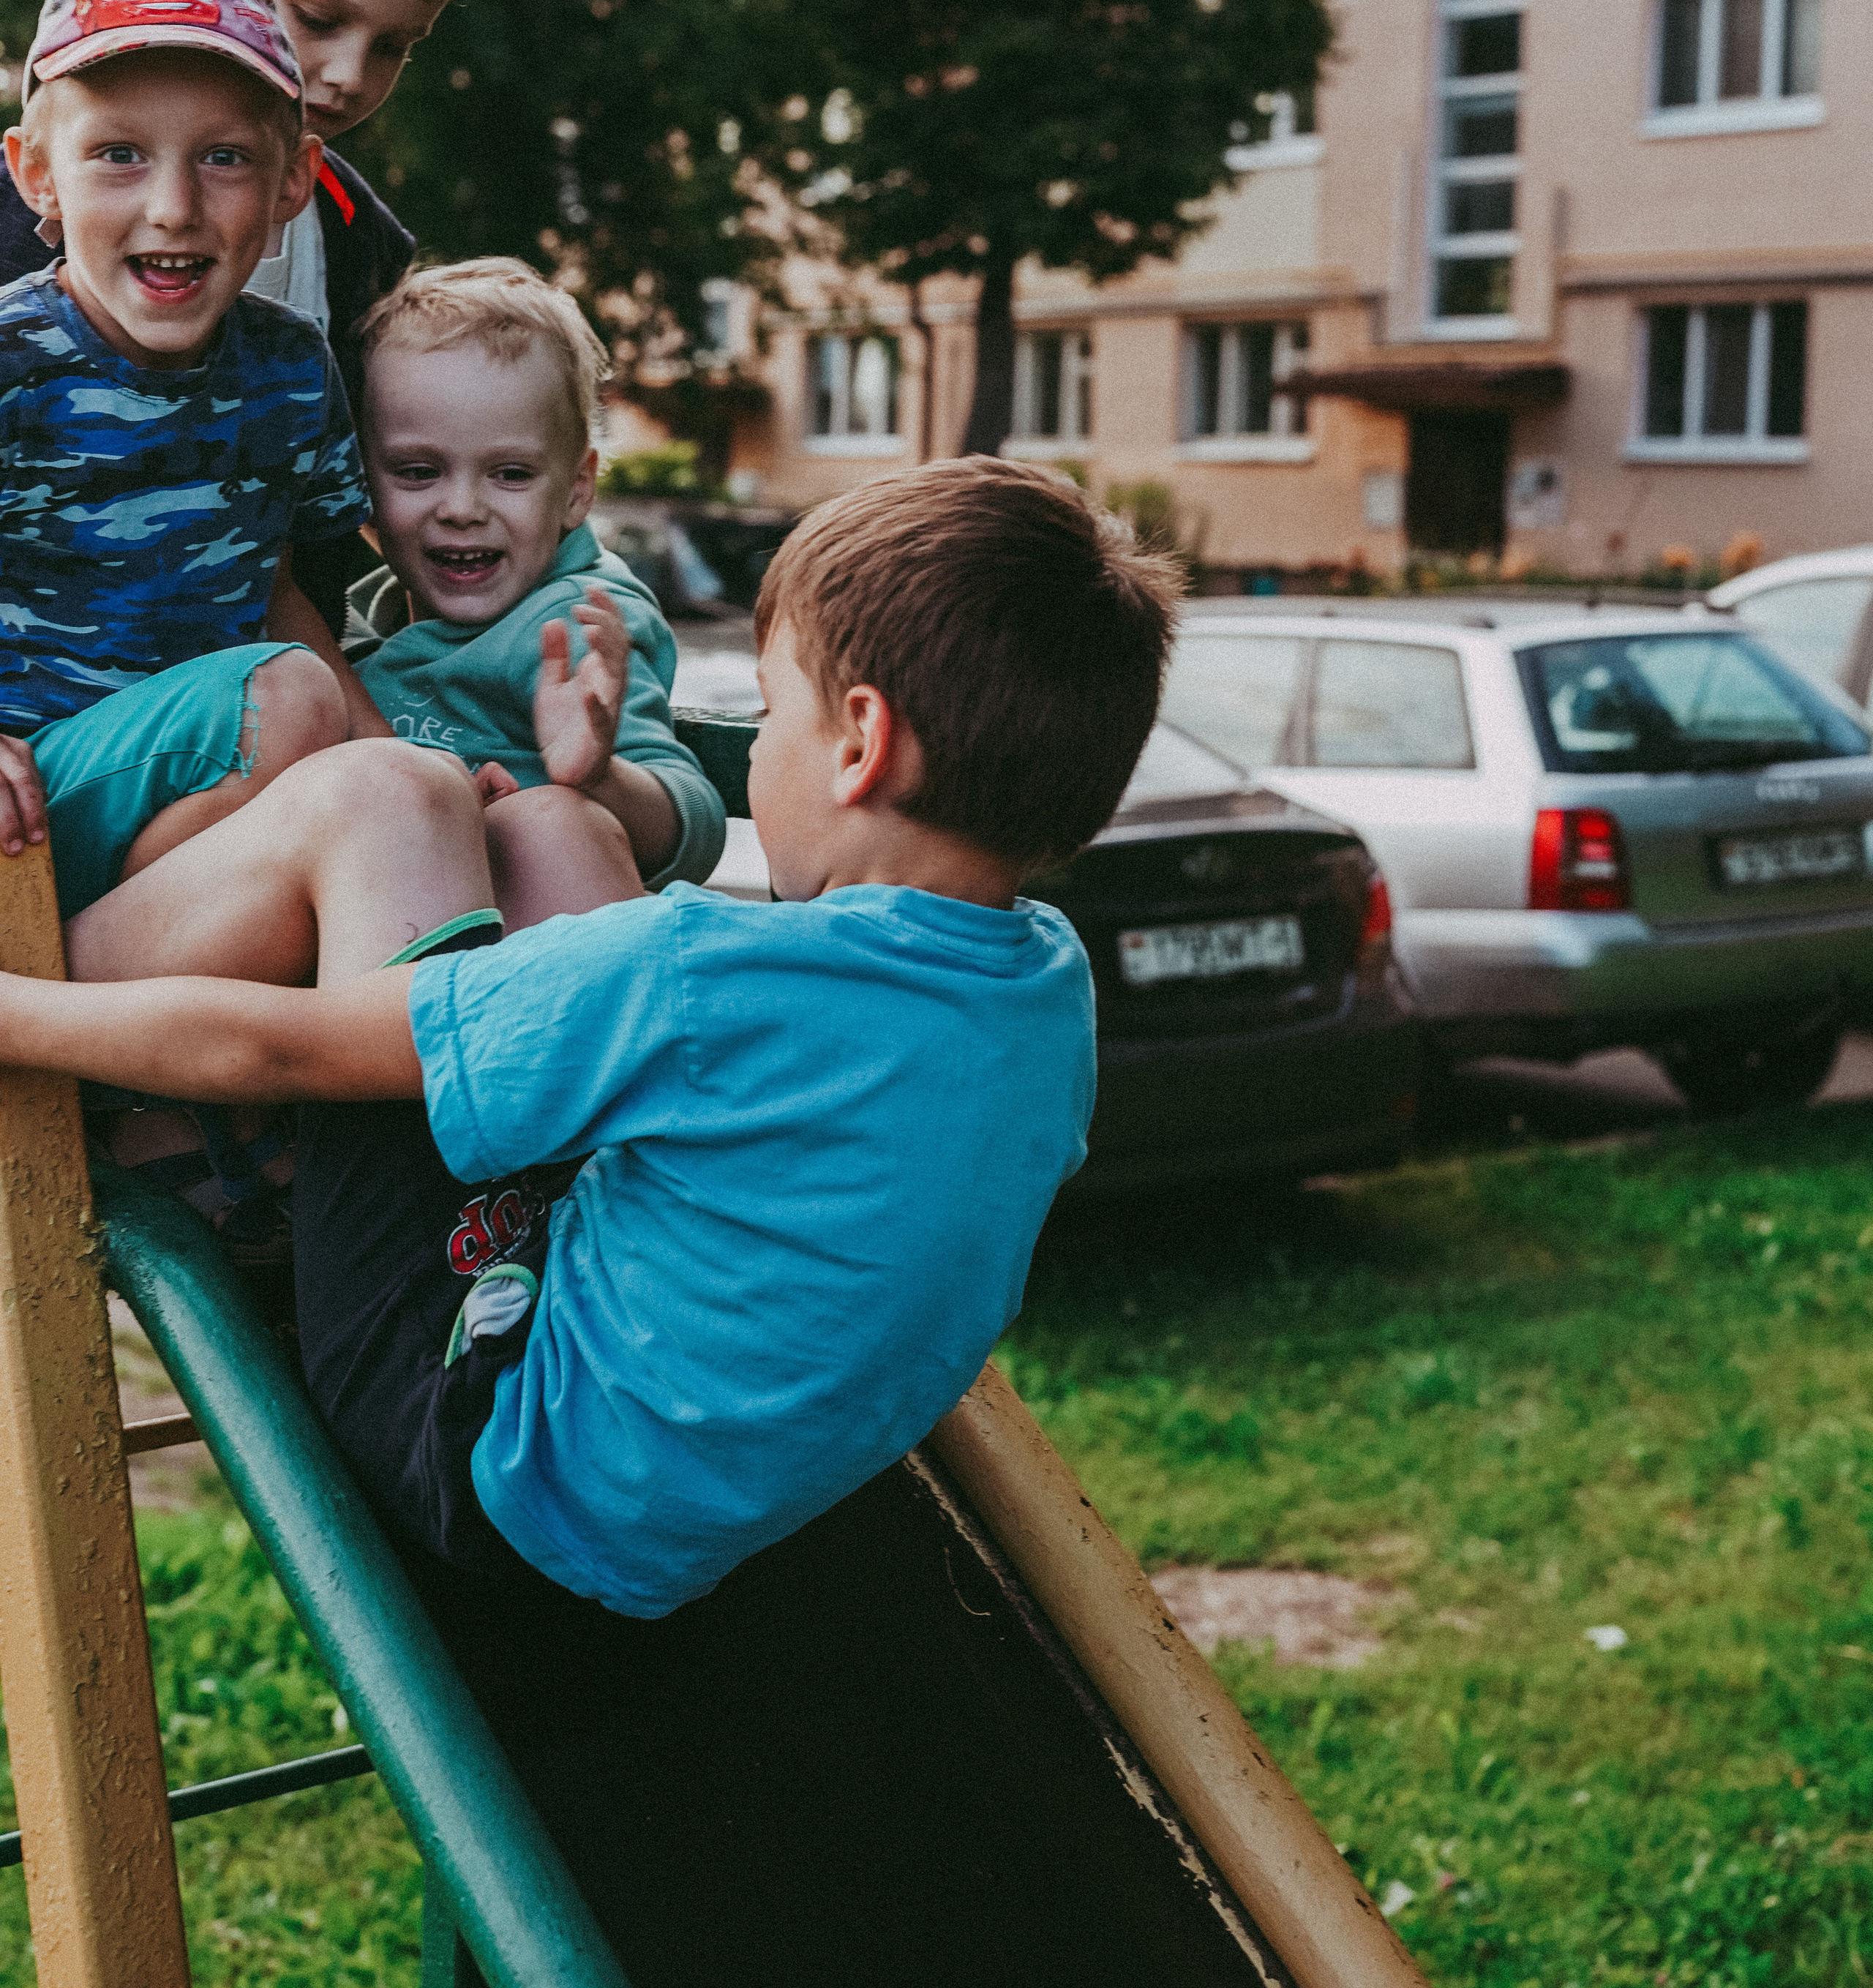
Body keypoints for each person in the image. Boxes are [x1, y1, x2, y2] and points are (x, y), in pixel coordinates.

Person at [0, 462, 1181, 1617]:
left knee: (387, 799)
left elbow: (287, 1052)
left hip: (475, 1444)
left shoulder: (716, 980)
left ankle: (49, 998)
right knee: (549, 827)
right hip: (657, 1503)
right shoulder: (1046, 983)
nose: (759, 750)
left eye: (774, 715)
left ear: (861, 742)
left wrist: (18, 1016)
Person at [0, 0, 481, 634]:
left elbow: (364, 495)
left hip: (264, 685)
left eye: (392, 46)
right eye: (320, 19)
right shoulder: (23, 220)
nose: (345, 76)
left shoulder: (362, 244)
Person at [0, 0, 381, 926]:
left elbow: (279, 593)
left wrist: (408, 763)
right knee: (293, 707)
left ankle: (103, 980)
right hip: (23, 804)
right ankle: (62, 980)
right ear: (36, 173)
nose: (174, 207)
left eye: (224, 158)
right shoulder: (11, 361)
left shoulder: (291, 372)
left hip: (190, 795)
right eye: (119, 153)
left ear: (293, 182)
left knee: (376, 791)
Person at [345, 258, 726, 918]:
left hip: (541, 965)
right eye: (417, 471)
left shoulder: (573, 624)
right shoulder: (357, 626)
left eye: (511, 474)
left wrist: (598, 776)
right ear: (362, 487)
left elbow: (691, 825)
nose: (462, 507)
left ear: (577, 490)